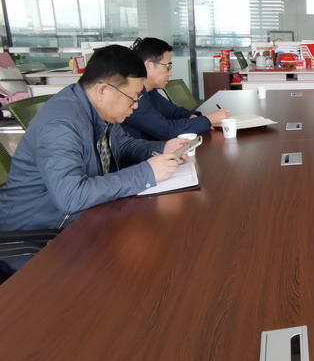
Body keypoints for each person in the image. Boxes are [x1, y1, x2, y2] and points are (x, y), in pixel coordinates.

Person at [0, 45, 189, 273]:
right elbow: (71, 196)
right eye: (132, 97)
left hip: (80, 220)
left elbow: (124, 144)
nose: (136, 105)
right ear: (103, 90)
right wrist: (146, 172)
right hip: (35, 237)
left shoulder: (96, 108)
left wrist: (163, 147)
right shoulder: (61, 125)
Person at [122, 37, 229, 140]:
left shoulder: (151, 91)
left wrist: (195, 119)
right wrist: (208, 120)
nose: (170, 73)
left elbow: (175, 112)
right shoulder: (131, 98)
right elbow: (166, 130)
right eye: (168, 67)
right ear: (148, 66)